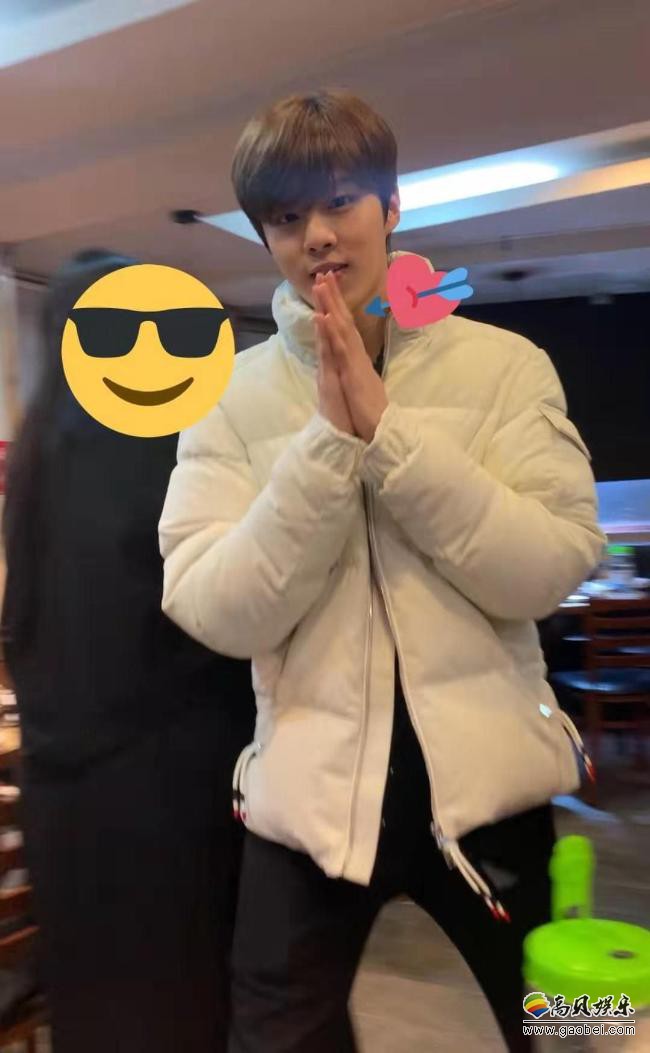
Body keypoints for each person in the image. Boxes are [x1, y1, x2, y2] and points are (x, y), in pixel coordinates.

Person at [159, 91, 606, 1053]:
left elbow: (554, 564)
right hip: (306, 805)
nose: (318, 235)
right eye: (287, 216)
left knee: (571, 1027)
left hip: (496, 793)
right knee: (272, 1035)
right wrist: (328, 444)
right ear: (264, 235)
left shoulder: (505, 366)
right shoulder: (226, 397)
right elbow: (212, 607)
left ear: (393, 205)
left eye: (341, 202)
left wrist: (391, 436)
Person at [1, 249, 255, 1053]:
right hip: (169, 794)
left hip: (64, 796)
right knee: (185, 1004)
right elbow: (216, 617)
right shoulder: (159, 447)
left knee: (97, 1006)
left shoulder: (37, 453)